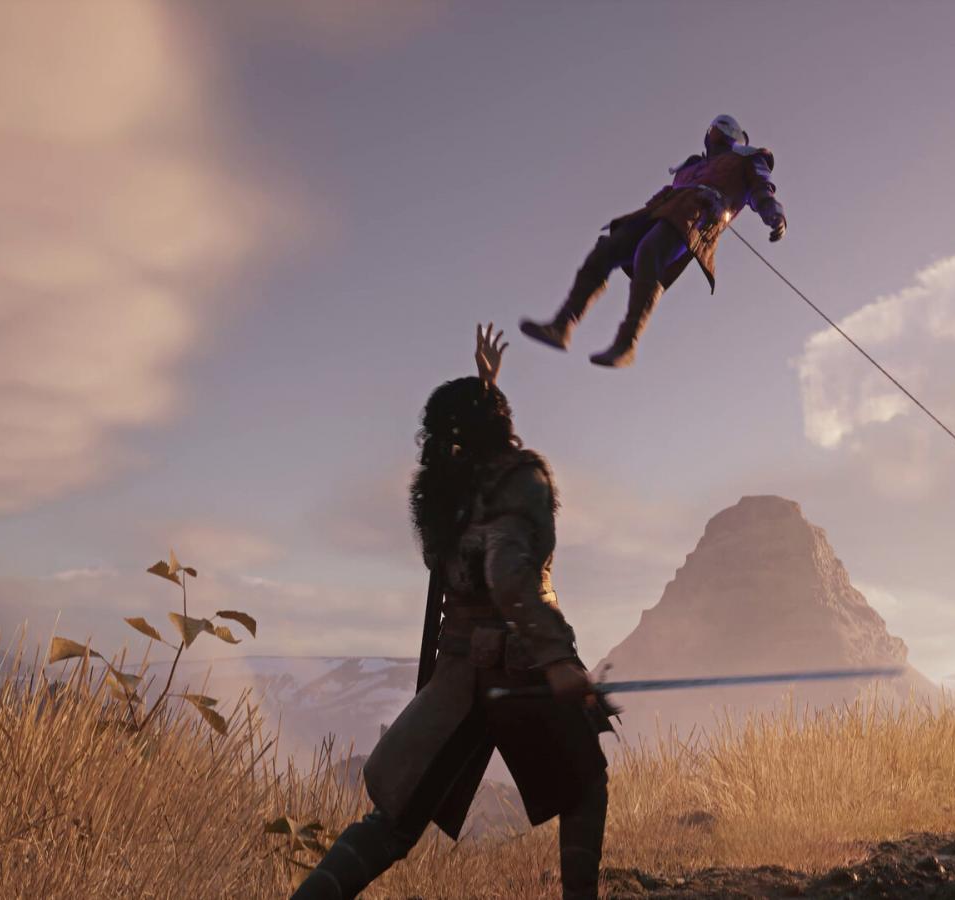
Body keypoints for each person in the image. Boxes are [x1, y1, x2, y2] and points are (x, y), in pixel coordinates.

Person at [293, 325, 612, 899]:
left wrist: (486, 387)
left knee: (394, 824)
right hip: (519, 671)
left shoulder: (448, 492)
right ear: (496, 427)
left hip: (460, 676)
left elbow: (480, 527)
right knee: (585, 785)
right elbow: (509, 575)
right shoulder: (518, 480)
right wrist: (558, 661)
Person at [519, 114, 787, 368]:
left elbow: (762, 188)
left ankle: (626, 343)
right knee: (608, 249)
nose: (716, 131)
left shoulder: (747, 158)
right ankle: (562, 325)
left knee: (650, 253)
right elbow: (671, 191)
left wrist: (773, 213)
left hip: (698, 214)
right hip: (663, 209)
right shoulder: (692, 166)